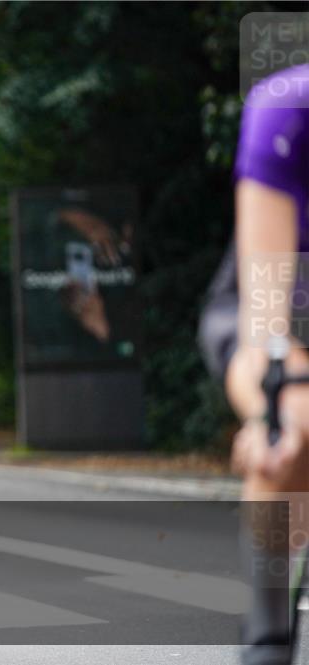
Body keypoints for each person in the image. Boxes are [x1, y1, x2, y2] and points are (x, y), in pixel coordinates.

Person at [199, 64, 308, 665]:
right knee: (291, 427)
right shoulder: (287, 107)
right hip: (273, 306)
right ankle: (267, 642)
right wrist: (273, 411)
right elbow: (266, 323)